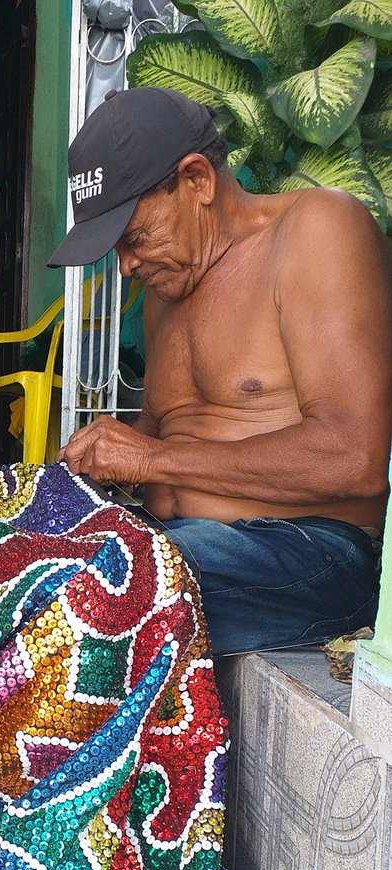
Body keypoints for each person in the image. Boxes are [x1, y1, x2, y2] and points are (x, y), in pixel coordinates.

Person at [48, 87, 392, 656]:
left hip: (312, 550)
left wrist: (151, 457)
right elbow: (168, 437)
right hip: (182, 542)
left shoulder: (316, 230)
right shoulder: (167, 288)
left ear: (198, 181)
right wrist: (95, 471)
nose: (128, 265)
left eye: (133, 238)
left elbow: (353, 459)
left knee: (75, 595)